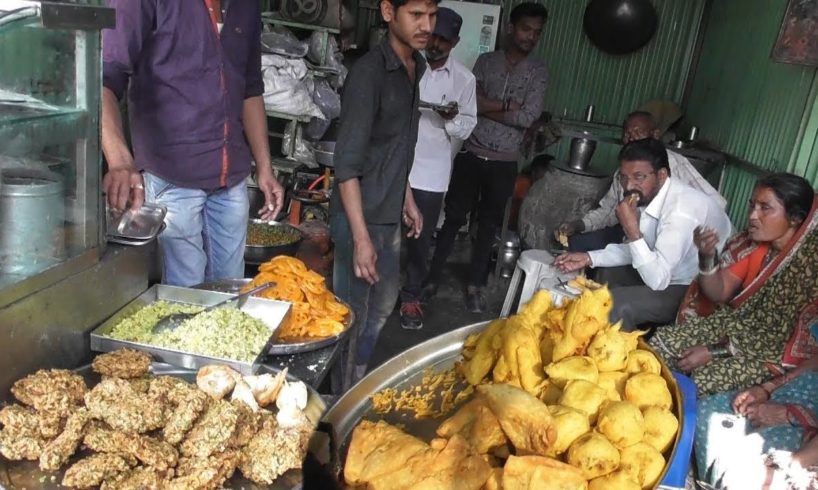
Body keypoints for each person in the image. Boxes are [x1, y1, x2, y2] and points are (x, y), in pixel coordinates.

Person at [101, 0, 285, 287]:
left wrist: (265, 166)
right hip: (172, 178)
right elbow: (103, 78)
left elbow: (250, 88)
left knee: (229, 295)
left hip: (231, 179)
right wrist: (120, 161)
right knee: (185, 298)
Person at [330, 0, 437, 391]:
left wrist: (407, 198)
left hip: (389, 213)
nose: (427, 25)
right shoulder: (369, 74)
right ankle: (337, 401)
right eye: (416, 15)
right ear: (389, 12)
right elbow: (347, 165)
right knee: (350, 315)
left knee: (381, 307)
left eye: (432, 15)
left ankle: (355, 379)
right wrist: (360, 239)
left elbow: (394, 146)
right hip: (360, 218)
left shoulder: (416, 67)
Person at [426, 2, 549, 313]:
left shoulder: (538, 71)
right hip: (472, 152)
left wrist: (489, 106)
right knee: (453, 219)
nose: (530, 36)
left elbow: (529, 116)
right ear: (511, 28)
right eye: (525, 29)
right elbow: (471, 104)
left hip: (505, 162)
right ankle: (430, 279)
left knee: (489, 226)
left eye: (536, 32)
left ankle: (475, 285)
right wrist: (508, 105)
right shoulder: (486, 61)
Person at [650, 173, 818, 396]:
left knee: (704, 377)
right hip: (736, 328)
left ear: (795, 218)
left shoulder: (807, 266)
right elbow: (718, 293)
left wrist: (715, 351)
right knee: (663, 342)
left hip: (774, 351)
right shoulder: (751, 245)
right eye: (752, 205)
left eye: (765, 208)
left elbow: (776, 335)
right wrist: (707, 255)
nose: (752, 216)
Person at [553, 138, 732, 331]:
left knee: (617, 305)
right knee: (605, 274)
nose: (629, 186)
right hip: (667, 271)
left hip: (694, 288)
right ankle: (618, 337)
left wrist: (631, 230)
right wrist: (589, 258)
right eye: (623, 177)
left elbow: (658, 279)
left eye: (639, 177)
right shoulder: (650, 197)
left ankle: (620, 356)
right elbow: (642, 250)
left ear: (662, 175)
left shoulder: (680, 210)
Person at [399, 7, 477, 330]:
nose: (435, 45)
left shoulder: (464, 80)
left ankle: (410, 296)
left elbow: (467, 126)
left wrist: (450, 119)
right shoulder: (406, 64)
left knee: (419, 239)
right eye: (432, 36)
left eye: (443, 40)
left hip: (431, 173)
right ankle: (377, 292)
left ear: (455, 42)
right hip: (396, 167)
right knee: (388, 235)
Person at [555, 111, 726, 252]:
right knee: (577, 244)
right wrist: (580, 224)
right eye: (627, 133)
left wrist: (693, 240)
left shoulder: (673, 163)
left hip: (667, 242)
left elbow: (717, 203)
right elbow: (608, 210)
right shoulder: (623, 172)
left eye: (638, 132)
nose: (631, 137)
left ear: (655, 135)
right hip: (631, 233)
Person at [695, 348, 818, 489]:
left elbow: (797, 464)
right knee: (707, 410)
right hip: (799, 392)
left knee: (736, 473)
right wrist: (767, 388)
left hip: (809, 440)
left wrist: (793, 464)